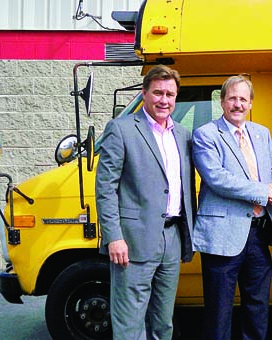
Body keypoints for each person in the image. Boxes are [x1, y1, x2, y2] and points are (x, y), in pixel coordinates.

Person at [192, 75, 272, 340]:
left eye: (243, 98)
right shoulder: (206, 134)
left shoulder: (261, 133)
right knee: (219, 311)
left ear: (251, 102)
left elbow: (270, 172)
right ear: (221, 101)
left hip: (258, 233)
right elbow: (217, 179)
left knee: (257, 307)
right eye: (232, 98)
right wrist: (265, 192)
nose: (237, 104)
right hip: (222, 235)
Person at [95, 65, 196, 340]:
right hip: (133, 241)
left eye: (170, 94)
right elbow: (105, 188)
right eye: (158, 93)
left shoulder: (183, 134)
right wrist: (114, 237)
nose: (164, 100)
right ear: (144, 93)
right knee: (130, 324)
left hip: (172, 239)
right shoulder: (121, 129)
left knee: (163, 322)